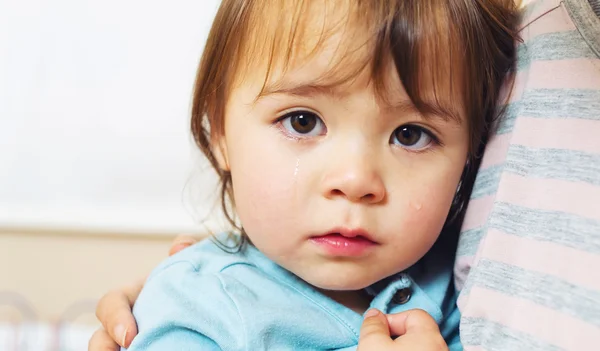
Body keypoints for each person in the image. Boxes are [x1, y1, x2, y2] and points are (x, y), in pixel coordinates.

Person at [89, 0, 521, 349]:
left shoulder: (469, 281)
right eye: (302, 121)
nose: (354, 181)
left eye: (410, 135)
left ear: (472, 154)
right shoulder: (198, 310)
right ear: (219, 131)